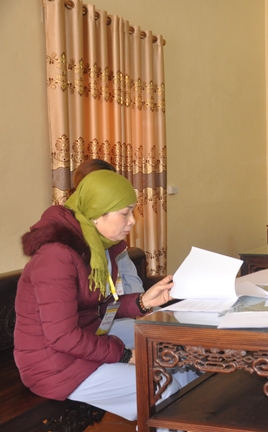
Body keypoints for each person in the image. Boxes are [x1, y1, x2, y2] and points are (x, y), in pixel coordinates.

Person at [14, 170, 196, 422]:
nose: (132, 221)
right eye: (125, 213)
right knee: (161, 385)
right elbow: (62, 337)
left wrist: (143, 301)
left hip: (84, 343)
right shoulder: (56, 258)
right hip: (53, 365)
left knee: (177, 360)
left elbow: (100, 307)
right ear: (97, 215)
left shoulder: (96, 246)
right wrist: (124, 355)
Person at [73, 158, 144, 296]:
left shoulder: (112, 238)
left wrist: (143, 303)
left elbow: (132, 281)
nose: (132, 221)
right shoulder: (68, 245)